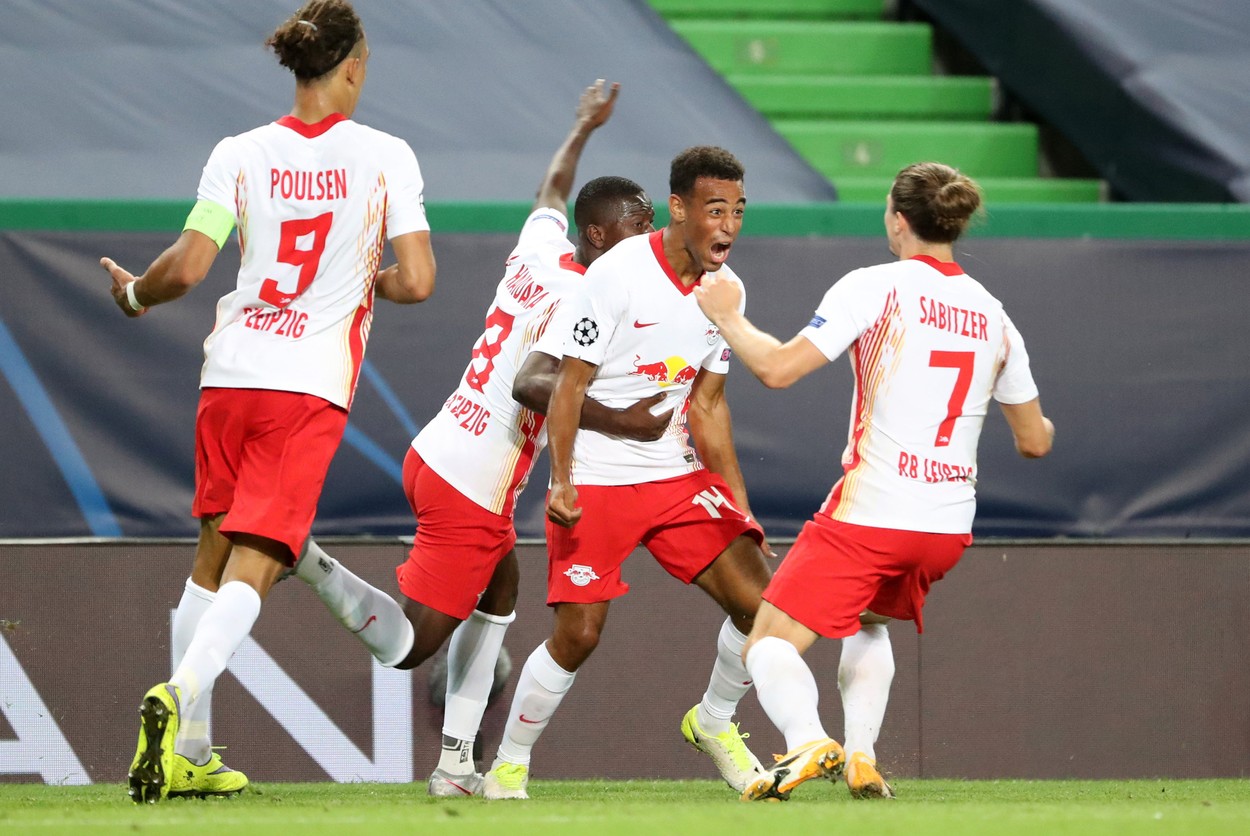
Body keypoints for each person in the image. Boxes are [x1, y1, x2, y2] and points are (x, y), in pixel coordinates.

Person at [292, 79, 667, 797]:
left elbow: (551, 190)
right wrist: (629, 423)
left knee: (500, 594)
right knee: (409, 649)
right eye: (637, 228)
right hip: (473, 480)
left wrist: (582, 127)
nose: (649, 241)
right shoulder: (582, 297)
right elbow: (534, 385)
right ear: (598, 235)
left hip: (440, 444)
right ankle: (304, 559)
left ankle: (456, 767)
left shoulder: (541, 249)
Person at [104, 0, 436, 803]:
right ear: (352, 66)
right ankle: (178, 692)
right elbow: (420, 281)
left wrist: (136, 295)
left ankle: (189, 751)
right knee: (260, 557)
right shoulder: (386, 156)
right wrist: (367, 281)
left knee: (212, 553)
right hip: (306, 384)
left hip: (230, 374)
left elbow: (187, 267)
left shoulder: (240, 151)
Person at [694, 161, 1055, 802]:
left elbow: (778, 369)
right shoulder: (994, 315)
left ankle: (808, 740)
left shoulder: (875, 286)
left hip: (873, 512)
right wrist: (1039, 416)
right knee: (869, 621)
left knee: (767, 645)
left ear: (898, 219)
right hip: (945, 528)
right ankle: (861, 757)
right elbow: (1035, 441)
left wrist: (728, 316)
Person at [482, 146, 779, 801]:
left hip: (674, 476)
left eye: (738, 211)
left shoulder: (726, 291)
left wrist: (739, 506)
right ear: (678, 208)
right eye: (716, 210)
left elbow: (708, 405)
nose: (729, 226)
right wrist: (562, 481)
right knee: (579, 635)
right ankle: (508, 765)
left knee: (765, 610)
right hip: (596, 479)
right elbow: (566, 384)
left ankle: (714, 721)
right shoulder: (618, 273)